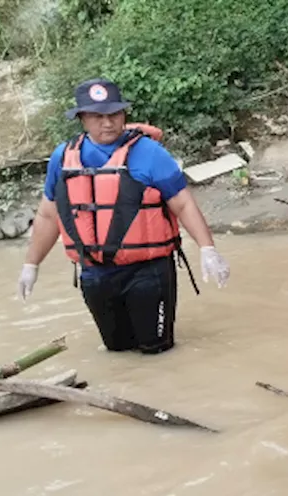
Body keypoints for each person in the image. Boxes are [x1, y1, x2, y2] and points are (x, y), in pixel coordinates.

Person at [17, 78, 230, 355]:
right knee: (117, 352)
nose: (108, 123)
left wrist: (208, 249)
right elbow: (48, 215)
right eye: (98, 116)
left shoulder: (150, 153)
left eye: (114, 114)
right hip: (95, 274)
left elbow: (183, 204)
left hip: (148, 272)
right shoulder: (63, 157)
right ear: (82, 119)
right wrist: (31, 265)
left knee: (157, 352)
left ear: (124, 115)